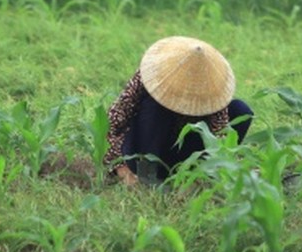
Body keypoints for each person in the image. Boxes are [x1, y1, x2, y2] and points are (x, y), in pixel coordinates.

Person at [105, 36, 253, 185]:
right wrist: (120, 167)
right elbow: (111, 124)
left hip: (184, 154)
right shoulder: (152, 74)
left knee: (240, 109)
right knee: (155, 105)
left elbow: (220, 137)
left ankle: (197, 174)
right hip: (144, 147)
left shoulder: (212, 92)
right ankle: (147, 176)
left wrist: (233, 170)